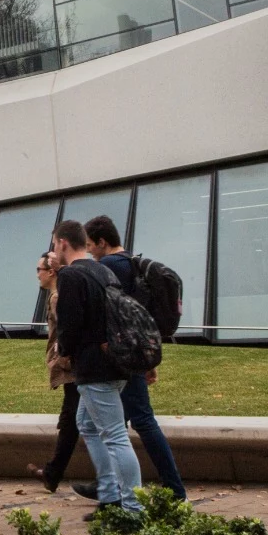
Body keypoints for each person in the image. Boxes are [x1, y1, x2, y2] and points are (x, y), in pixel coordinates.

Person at [71, 215, 187, 503]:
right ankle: (111, 487)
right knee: (115, 423)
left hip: (120, 357)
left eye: (90, 245)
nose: (89, 252)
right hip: (134, 352)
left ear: (102, 242)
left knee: (138, 422)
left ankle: (171, 491)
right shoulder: (131, 264)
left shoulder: (109, 266)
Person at [53, 218, 143, 518]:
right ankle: (109, 495)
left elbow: (70, 325)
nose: (55, 250)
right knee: (88, 424)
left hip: (93, 368)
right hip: (117, 364)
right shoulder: (103, 270)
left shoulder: (70, 276)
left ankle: (131, 508)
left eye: (55, 244)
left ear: (64, 243)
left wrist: (64, 353)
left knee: (116, 435)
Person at [30, 248, 81, 493]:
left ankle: (53, 473)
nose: (37, 275)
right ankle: (52, 473)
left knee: (72, 422)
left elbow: (66, 331)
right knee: (71, 422)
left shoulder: (57, 297)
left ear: (51, 272)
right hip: (71, 369)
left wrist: (61, 357)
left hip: (73, 369)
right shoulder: (56, 296)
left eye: (39, 270)